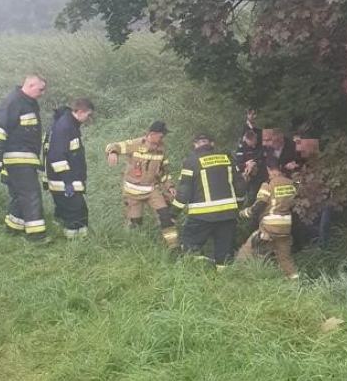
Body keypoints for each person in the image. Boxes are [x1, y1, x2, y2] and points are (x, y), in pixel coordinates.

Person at [0, 75, 48, 242]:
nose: (43, 93)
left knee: (19, 195)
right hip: (18, 158)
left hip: (24, 158)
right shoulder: (14, 101)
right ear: (30, 84)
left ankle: (13, 229)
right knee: (31, 195)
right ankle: (37, 236)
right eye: (40, 89)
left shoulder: (27, 103)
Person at [172, 133, 245, 269]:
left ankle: (198, 273)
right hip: (228, 214)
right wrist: (238, 206)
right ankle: (224, 279)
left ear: (195, 144)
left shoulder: (191, 162)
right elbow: (240, 186)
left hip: (201, 215)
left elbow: (184, 192)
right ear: (212, 144)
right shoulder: (227, 159)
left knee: (190, 246)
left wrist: (173, 213)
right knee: (225, 252)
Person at [105, 122, 178, 250]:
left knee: (165, 216)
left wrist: (170, 186)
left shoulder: (161, 150)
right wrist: (112, 153)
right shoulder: (136, 144)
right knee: (135, 224)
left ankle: (174, 248)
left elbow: (164, 172)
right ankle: (132, 249)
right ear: (152, 134)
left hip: (151, 190)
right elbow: (113, 145)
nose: (162, 139)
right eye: (161, 136)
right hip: (133, 192)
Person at [237, 153, 298, 280]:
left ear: (268, 169)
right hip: (286, 228)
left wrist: (244, 213)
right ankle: (295, 281)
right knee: (285, 258)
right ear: (280, 167)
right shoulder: (291, 183)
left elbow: (259, 205)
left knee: (247, 250)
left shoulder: (268, 184)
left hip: (269, 227)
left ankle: (238, 274)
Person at [45, 98, 94, 238]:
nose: (89, 118)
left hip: (70, 179)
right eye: (88, 115)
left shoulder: (71, 125)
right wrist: (68, 181)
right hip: (64, 180)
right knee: (74, 214)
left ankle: (81, 240)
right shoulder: (65, 127)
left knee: (80, 212)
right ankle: (72, 244)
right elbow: (57, 156)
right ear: (79, 112)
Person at [235, 129, 266, 206]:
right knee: (250, 197)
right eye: (253, 140)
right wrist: (246, 165)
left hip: (260, 176)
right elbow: (237, 166)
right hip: (247, 178)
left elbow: (262, 158)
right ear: (248, 140)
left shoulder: (259, 147)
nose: (255, 142)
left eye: (256, 139)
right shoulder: (241, 149)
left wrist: (254, 163)